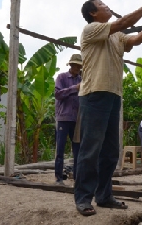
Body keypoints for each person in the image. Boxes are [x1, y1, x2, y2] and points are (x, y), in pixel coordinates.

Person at [74, 0, 142, 216]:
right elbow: (124, 22)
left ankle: (104, 196)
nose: (107, 5)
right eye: (101, 4)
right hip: (94, 94)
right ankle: (84, 198)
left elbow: (135, 39)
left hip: (113, 95)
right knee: (90, 149)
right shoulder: (92, 29)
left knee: (110, 151)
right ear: (93, 13)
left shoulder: (116, 36)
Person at [54, 53, 82, 185]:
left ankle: (77, 178)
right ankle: (59, 178)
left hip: (76, 120)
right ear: (71, 65)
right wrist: (74, 89)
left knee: (78, 149)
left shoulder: (82, 80)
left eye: (79, 66)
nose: (77, 68)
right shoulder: (62, 77)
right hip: (64, 118)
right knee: (60, 149)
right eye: (76, 65)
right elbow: (58, 94)